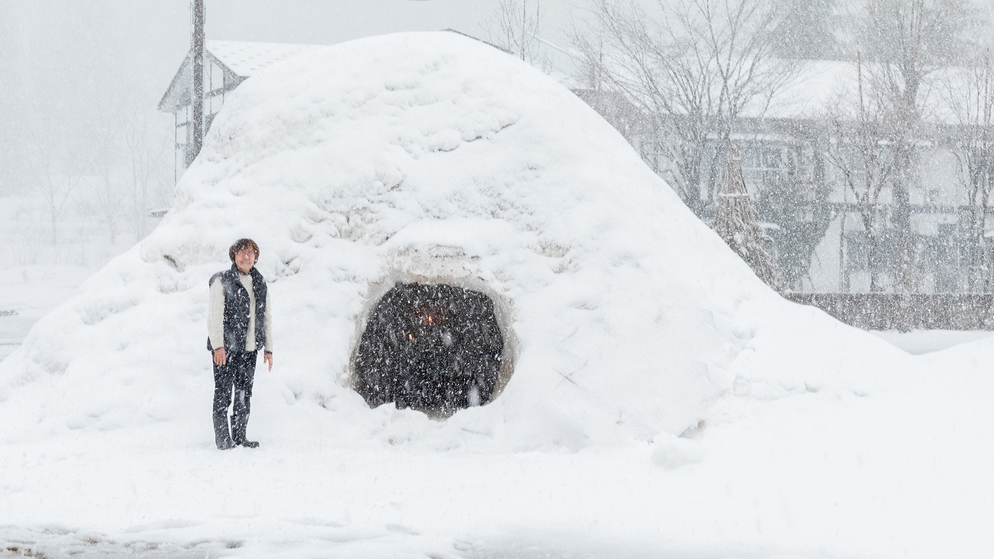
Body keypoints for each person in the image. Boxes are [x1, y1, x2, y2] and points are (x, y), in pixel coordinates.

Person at [207, 238, 273, 450]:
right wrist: (218, 346)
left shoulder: (260, 283)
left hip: (249, 350)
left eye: (251, 252)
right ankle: (223, 440)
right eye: (242, 252)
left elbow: (266, 317)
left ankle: (240, 436)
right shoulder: (223, 280)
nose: (246, 256)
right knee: (223, 394)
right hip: (226, 349)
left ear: (256, 256)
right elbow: (214, 317)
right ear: (233, 256)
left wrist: (268, 348)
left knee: (244, 395)